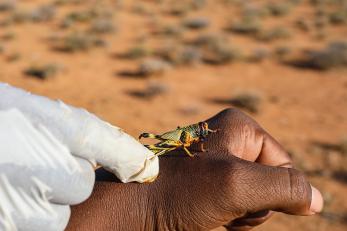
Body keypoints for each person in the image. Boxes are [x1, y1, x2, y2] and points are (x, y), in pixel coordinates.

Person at [0, 83, 323, 231]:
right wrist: (150, 206)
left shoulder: (198, 135)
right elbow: (180, 142)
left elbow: (196, 137)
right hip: (162, 148)